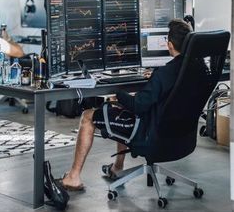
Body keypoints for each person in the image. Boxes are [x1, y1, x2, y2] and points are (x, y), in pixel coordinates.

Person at [61, 19, 193, 191]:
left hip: (150, 135)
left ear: (169, 44)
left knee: (88, 116)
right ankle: (117, 167)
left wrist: (117, 90)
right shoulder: (195, 70)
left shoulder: (163, 75)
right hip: (182, 139)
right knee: (120, 109)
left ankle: (73, 177)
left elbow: (137, 106)